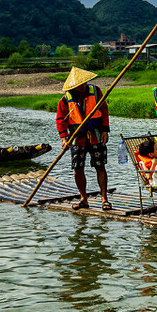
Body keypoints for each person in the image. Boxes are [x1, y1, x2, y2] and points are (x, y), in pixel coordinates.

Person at [55, 67, 112, 211]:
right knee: (77, 169)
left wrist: (105, 129)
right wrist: (63, 138)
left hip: (96, 135)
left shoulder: (95, 91)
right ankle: (83, 199)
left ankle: (104, 199)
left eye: (84, 83)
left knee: (100, 166)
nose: (82, 86)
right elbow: (60, 119)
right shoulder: (66, 99)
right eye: (79, 84)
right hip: (77, 138)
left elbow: (104, 110)